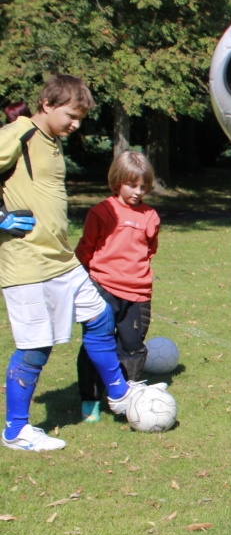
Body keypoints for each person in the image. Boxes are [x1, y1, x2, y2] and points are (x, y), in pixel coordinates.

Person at [0, 76, 155, 451]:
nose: (77, 124)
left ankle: (118, 393)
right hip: (26, 262)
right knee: (36, 347)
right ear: (47, 104)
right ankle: (16, 430)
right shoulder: (17, 132)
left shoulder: (50, 142)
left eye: (81, 117)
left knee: (99, 315)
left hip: (60, 259)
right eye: (71, 115)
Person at [75, 151, 161, 423]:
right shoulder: (101, 212)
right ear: (117, 182)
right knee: (97, 344)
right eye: (131, 185)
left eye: (143, 186)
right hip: (102, 288)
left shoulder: (150, 216)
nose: (138, 191)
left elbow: (149, 250)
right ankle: (90, 399)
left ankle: (125, 398)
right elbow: (85, 249)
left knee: (132, 346)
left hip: (137, 293)